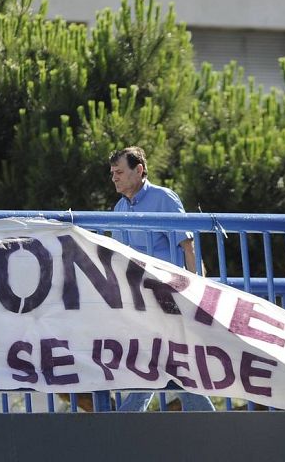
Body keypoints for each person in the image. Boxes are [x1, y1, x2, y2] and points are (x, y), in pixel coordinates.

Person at [95, 146, 215, 412]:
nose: (114, 178)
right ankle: (208, 423)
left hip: (170, 297)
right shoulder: (118, 208)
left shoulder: (164, 199)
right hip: (142, 300)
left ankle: (128, 422)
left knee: (161, 363)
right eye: (112, 173)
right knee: (162, 364)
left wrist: (197, 294)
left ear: (139, 170)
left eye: (119, 172)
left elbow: (188, 247)